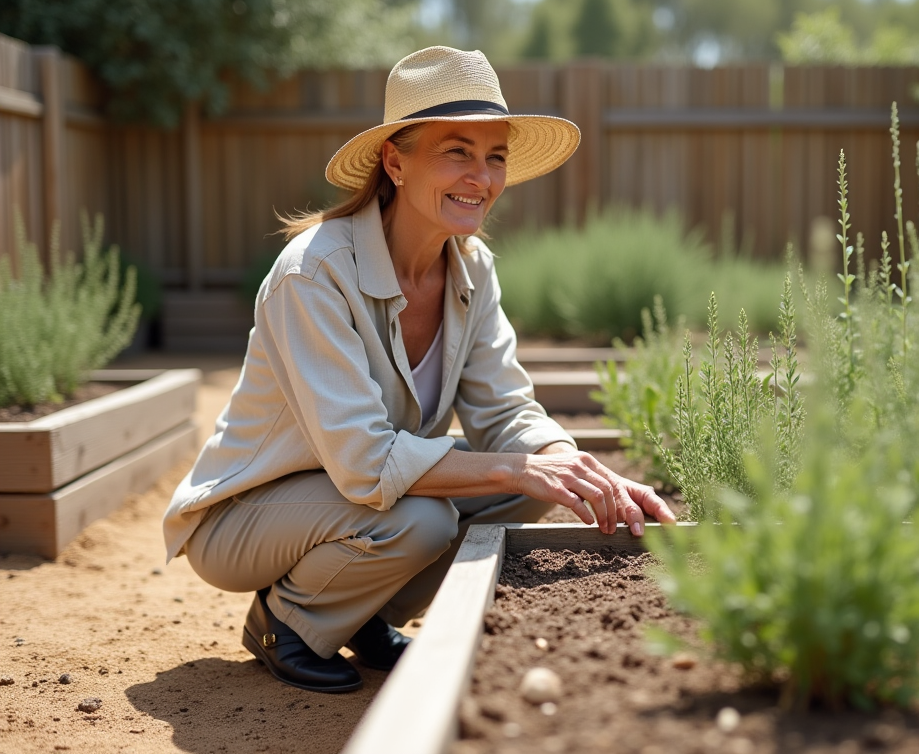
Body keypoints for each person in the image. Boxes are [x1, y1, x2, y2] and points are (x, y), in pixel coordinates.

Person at [162, 46, 675, 694]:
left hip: (353, 499)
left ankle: (362, 613)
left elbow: (505, 411)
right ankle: (285, 620)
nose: (481, 177)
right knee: (425, 518)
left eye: (495, 157)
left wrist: (576, 467)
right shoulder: (314, 273)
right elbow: (365, 462)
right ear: (395, 162)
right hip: (246, 516)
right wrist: (514, 464)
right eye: (457, 151)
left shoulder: (472, 268)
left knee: (536, 483)